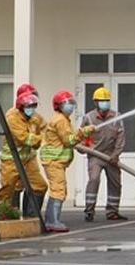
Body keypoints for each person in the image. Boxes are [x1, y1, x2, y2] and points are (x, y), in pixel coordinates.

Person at [40, 90, 95, 232]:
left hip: (56, 160)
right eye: (67, 103)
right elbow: (69, 140)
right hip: (54, 160)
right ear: (58, 105)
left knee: (59, 189)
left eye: (71, 103)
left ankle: (51, 220)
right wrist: (83, 132)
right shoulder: (60, 120)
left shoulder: (63, 119)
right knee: (58, 190)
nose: (70, 106)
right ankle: (52, 221)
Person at [0, 87, 48, 218]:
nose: (32, 108)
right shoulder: (12, 117)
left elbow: (46, 130)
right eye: (30, 104)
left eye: (34, 104)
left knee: (39, 186)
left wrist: (45, 137)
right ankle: (5, 217)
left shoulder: (35, 117)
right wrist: (41, 139)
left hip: (29, 159)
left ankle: (31, 217)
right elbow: (25, 138)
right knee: (8, 189)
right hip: (11, 160)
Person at [81, 87, 127, 221]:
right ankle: (89, 211)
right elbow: (83, 136)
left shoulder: (117, 117)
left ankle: (112, 211)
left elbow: (121, 137)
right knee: (94, 179)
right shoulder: (88, 118)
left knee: (115, 183)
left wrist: (116, 154)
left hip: (112, 156)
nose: (105, 103)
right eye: (102, 101)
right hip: (96, 155)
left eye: (106, 101)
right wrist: (83, 147)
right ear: (95, 102)